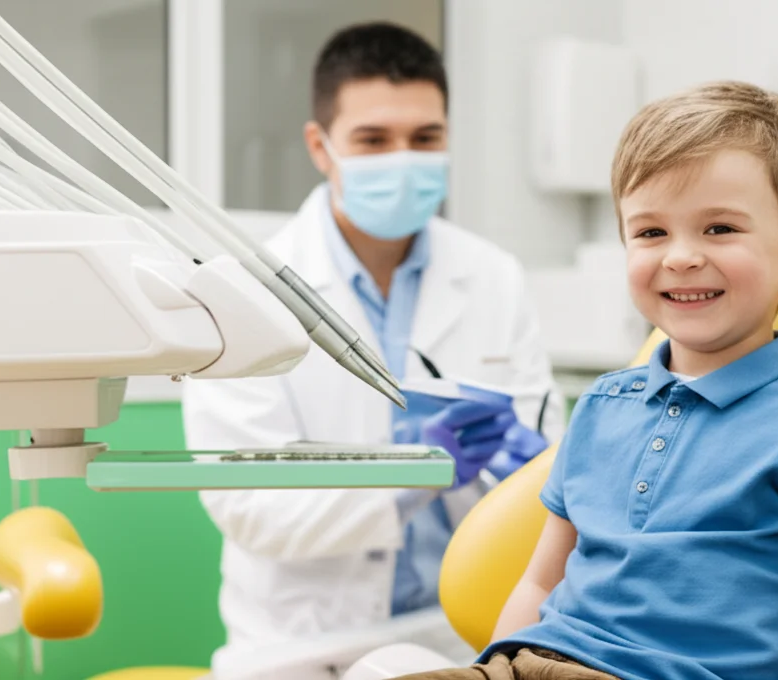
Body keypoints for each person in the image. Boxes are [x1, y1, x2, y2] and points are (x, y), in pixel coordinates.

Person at [386, 81, 778, 680]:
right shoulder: (602, 404)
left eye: (720, 228)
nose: (680, 256)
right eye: (651, 233)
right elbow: (540, 582)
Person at [181, 22, 564, 670]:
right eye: (374, 139)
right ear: (321, 146)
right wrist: (407, 481)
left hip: (463, 632)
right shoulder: (244, 290)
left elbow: (543, 449)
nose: (402, 159)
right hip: (304, 645)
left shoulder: (494, 277)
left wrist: (536, 470)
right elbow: (247, 504)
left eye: (425, 138)